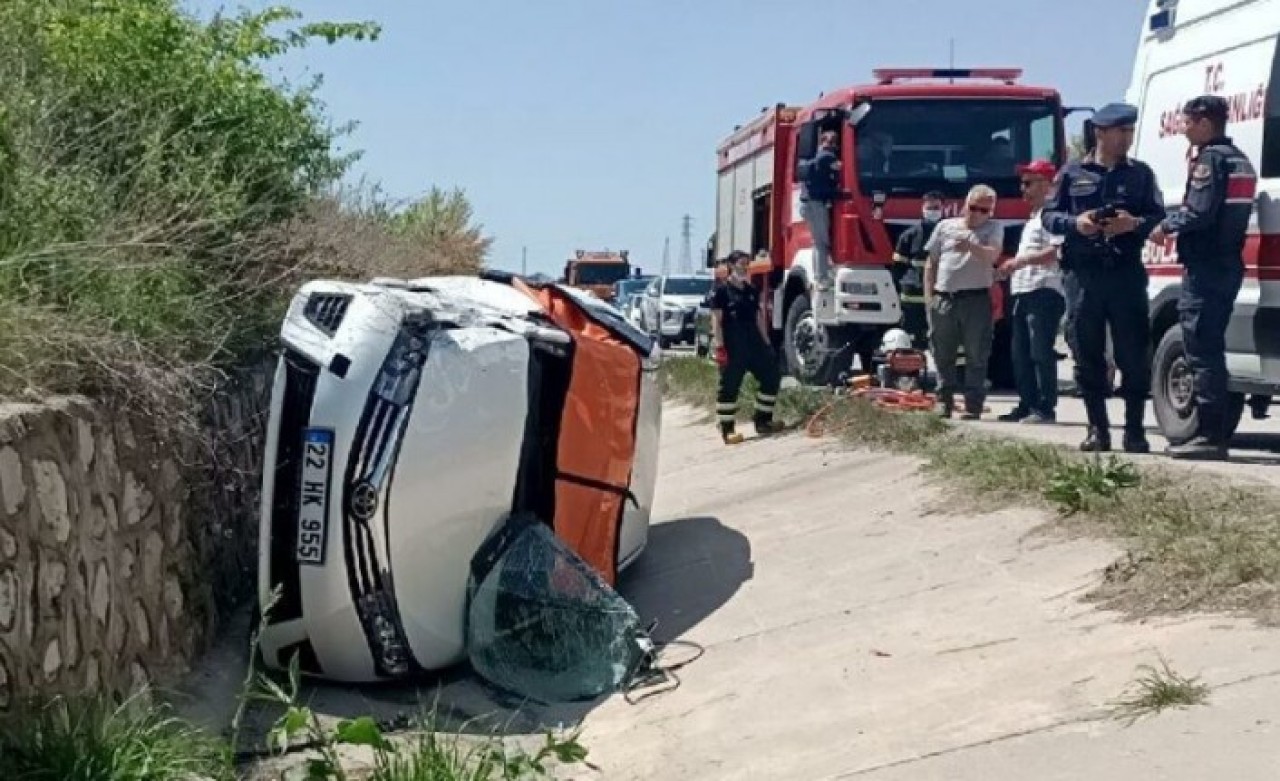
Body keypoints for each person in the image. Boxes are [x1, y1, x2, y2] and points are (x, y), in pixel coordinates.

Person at [1042, 102, 1167, 453]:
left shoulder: (1140, 174)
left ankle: (1135, 430)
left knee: (1133, 353)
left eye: (1130, 131)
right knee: (1087, 352)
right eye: (1121, 131)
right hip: (1084, 275)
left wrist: (1134, 224)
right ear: (1100, 132)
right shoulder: (1071, 174)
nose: (1127, 138)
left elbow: (1158, 216)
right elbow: (1049, 216)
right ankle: (1097, 429)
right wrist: (1076, 224)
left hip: (1125, 273)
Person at [1149, 95, 1257, 460]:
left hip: (1207, 264)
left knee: (1201, 345)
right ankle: (1213, 431)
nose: (1183, 129)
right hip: (1227, 263)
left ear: (1206, 123)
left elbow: (1198, 212)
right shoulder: (1240, 159)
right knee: (1209, 343)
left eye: (1188, 123)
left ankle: (1210, 435)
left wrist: (1165, 225)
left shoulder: (1210, 160)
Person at [924, 184, 1004, 419]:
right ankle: (943, 401)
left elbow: (992, 255)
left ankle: (973, 405)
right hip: (944, 298)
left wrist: (970, 245)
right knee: (942, 352)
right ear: (964, 206)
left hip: (976, 298)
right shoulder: (944, 227)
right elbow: (932, 263)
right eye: (973, 208)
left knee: (976, 354)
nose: (977, 214)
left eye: (984, 210)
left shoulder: (994, 228)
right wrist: (930, 297)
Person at [997, 160, 1066, 424]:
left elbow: (1057, 251)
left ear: (1047, 185)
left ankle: (1045, 407)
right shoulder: (1033, 218)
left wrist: (1021, 262)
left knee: (1040, 351)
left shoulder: (1053, 215)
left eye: (1029, 183)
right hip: (1023, 290)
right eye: (1022, 183)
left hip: (1044, 290)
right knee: (1020, 353)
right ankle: (1027, 403)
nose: (1022, 188)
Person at [711, 251, 783, 444]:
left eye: (746, 264)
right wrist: (719, 347)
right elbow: (717, 320)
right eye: (740, 264)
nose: (744, 268)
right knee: (729, 387)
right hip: (733, 345)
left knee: (771, 377)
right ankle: (727, 430)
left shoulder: (751, 290)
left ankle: (763, 421)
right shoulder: (721, 292)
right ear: (731, 266)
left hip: (754, 343)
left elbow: (758, 319)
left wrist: (767, 343)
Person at [893, 191, 944, 348]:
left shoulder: (949, 233)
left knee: (940, 338)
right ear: (923, 208)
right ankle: (910, 369)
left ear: (942, 209)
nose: (933, 211)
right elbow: (898, 267)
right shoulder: (909, 235)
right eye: (930, 207)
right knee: (911, 340)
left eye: (936, 207)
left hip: (939, 294)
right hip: (913, 296)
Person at [800, 130, 841, 299]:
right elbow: (842, 167)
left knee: (820, 242)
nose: (832, 144)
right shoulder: (826, 157)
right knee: (821, 243)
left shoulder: (818, 157)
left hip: (811, 204)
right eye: (831, 141)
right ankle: (821, 278)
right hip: (816, 204)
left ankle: (823, 276)